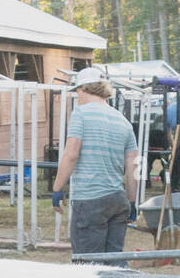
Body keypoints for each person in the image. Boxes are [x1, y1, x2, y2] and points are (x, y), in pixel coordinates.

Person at [51, 67, 139, 259]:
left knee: (87, 265)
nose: (77, 96)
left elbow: (71, 154)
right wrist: (132, 202)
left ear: (84, 89)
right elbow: (133, 166)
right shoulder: (123, 121)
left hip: (91, 200)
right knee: (114, 263)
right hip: (118, 200)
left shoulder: (80, 114)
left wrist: (58, 188)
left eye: (77, 91)